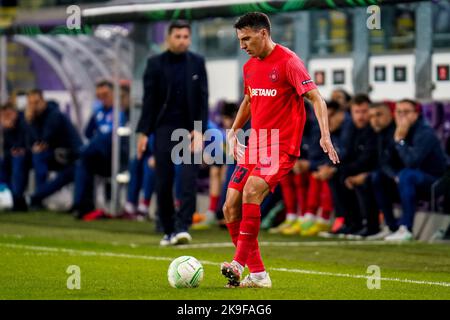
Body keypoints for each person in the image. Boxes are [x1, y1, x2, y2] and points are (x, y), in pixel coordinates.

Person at [221, 12, 339, 288]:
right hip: (255, 146)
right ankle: (259, 275)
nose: (243, 46)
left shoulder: (289, 62)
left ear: (263, 33)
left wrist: (325, 134)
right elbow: (249, 100)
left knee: (251, 190)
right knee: (230, 207)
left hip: (281, 147)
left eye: (247, 38)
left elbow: (315, 97)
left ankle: (238, 265)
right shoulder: (249, 67)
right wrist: (234, 130)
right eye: (240, 40)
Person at [136, 20, 209, 246]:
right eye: (178, 36)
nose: (182, 41)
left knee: (188, 179)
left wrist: (199, 131)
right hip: (164, 128)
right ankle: (168, 229)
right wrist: (143, 133)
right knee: (163, 181)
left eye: (186, 36)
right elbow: (149, 102)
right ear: (168, 38)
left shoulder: (197, 62)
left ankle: (182, 227)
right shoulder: (155, 64)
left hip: (190, 129)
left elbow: (203, 100)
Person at [374, 99, 447, 241]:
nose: (402, 115)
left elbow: (412, 162)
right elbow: (384, 162)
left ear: (416, 114)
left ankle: (406, 228)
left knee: (407, 174)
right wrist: (394, 176)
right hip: (406, 179)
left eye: (406, 112)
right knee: (378, 177)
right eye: (398, 112)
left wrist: (400, 140)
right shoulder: (395, 129)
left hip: (434, 181)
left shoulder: (425, 132)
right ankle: (391, 226)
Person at [72, 80, 127, 219]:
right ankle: (83, 206)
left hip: (119, 156)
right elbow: (87, 132)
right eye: (100, 96)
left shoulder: (122, 110)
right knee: (83, 163)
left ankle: (81, 205)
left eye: (105, 94)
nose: (102, 98)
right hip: (99, 157)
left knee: (97, 144)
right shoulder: (98, 111)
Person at [25, 89, 83, 209]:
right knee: (24, 158)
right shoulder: (35, 117)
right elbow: (32, 142)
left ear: (43, 101)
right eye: (31, 103)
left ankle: (35, 197)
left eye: (36, 102)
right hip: (54, 155)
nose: (34, 106)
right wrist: (31, 121)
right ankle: (31, 197)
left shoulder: (54, 114)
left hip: (70, 156)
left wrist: (31, 122)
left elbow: (45, 139)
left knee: (39, 157)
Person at [366, 102, 404, 240]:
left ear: (391, 114)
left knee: (375, 178)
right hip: (390, 176)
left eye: (379, 115)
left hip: (402, 176)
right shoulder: (377, 133)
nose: (374, 120)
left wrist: (394, 175)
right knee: (370, 178)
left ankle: (398, 227)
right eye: (371, 116)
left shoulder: (397, 131)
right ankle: (385, 226)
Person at [0, 102, 31, 211]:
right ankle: (7, 196)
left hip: (29, 156)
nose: (6, 118)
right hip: (13, 156)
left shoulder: (24, 122)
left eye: (8, 114)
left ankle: (17, 199)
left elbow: (28, 143)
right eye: (3, 116)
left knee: (17, 163)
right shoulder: (7, 128)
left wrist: (19, 150)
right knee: (3, 163)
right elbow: (6, 149)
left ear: (14, 113)